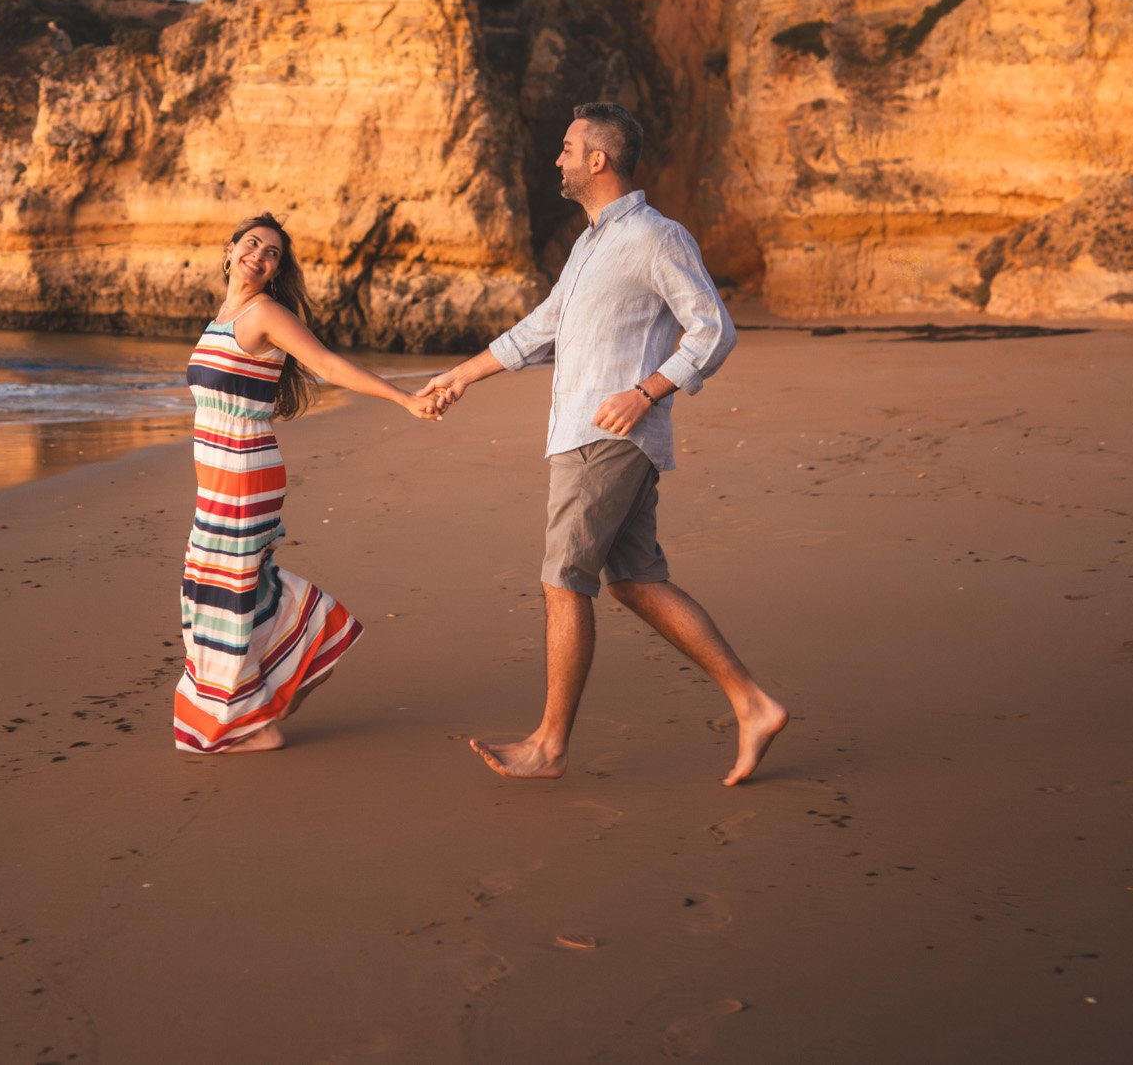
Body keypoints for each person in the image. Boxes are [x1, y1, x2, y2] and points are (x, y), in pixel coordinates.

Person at [427, 103, 788, 785]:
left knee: (563, 578)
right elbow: (543, 328)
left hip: (608, 437)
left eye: (567, 148)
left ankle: (550, 745)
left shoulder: (657, 236)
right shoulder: (591, 241)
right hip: (583, 434)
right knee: (634, 580)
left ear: (598, 159)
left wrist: (647, 390)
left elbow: (714, 329)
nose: (557, 159)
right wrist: (460, 376)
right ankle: (753, 702)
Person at [175, 212, 449, 754]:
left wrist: (404, 400)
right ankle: (297, 658)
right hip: (220, 479)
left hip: (244, 474)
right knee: (235, 587)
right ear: (229, 251)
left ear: (275, 271)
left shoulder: (264, 313)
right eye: (251, 244)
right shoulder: (222, 318)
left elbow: (326, 362)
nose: (258, 255)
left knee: (223, 591)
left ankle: (248, 719)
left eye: (271, 252)